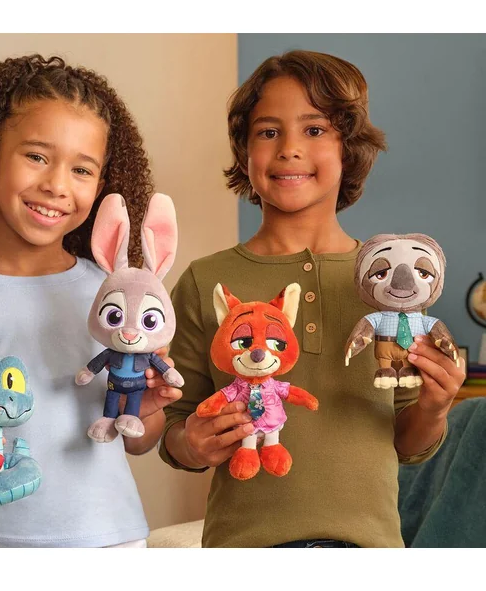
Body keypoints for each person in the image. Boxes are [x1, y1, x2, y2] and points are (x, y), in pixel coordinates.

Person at [158, 50, 466, 548]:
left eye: (315, 129)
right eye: (268, 131)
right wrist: (191, 444)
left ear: (349, 149)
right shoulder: (206, 281)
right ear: (245, 150)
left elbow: (408, 444)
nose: (289, 149)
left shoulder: (395, 285)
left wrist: (434, 407)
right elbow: (175, 426)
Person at [0, 54, 181, 548]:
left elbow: (138, 442)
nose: (56, 185)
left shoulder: (113, 297)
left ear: (101, 186)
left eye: (82, 169)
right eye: (36, 156)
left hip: (114, 541)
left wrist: (149, 408)